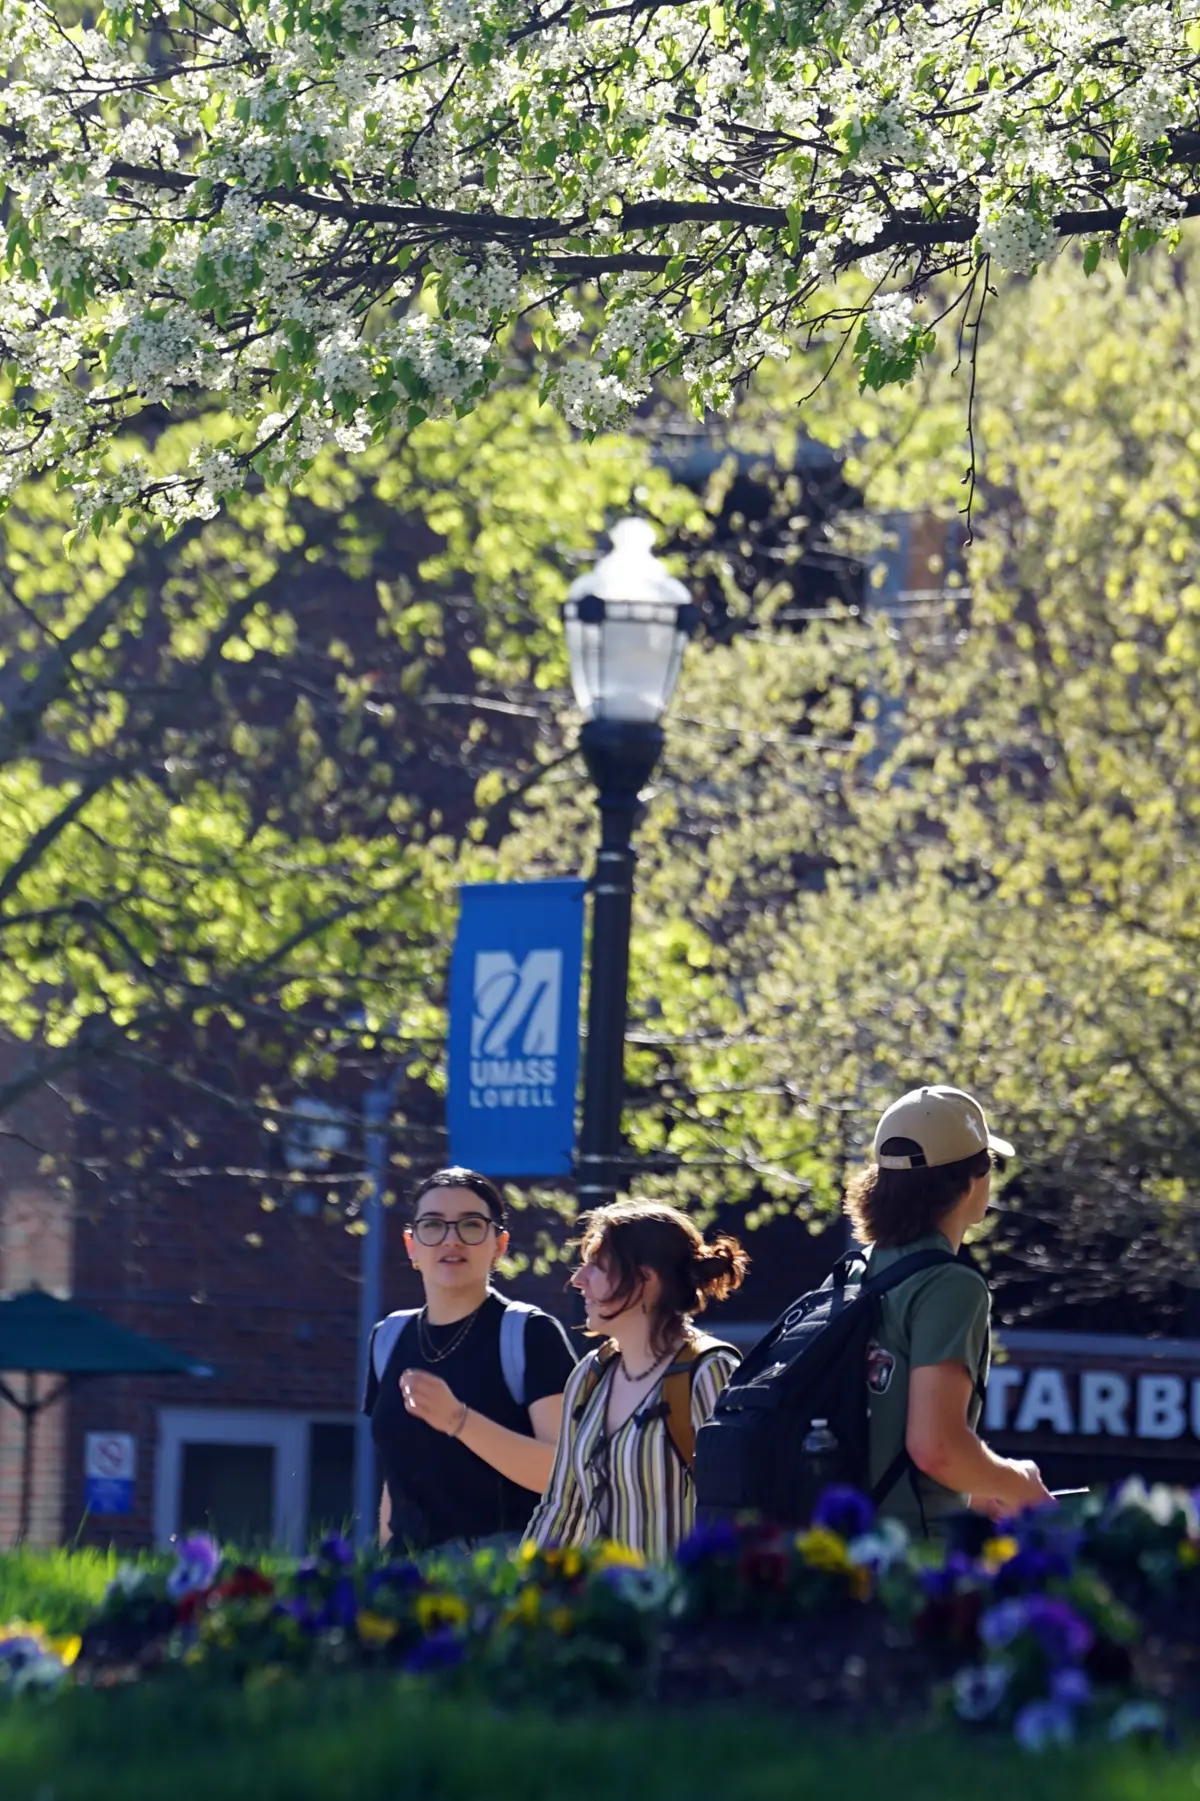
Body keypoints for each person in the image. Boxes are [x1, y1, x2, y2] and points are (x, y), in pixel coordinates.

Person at [845, 1084, 1054, 1532]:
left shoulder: (856, 1270)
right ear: (970, 1182)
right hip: (912, 1563)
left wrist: (972, 1488)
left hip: (841, 1553)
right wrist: (1022, 1484)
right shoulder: (950, 1286)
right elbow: (935, 1448)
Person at [363, 1167, 577, 1552]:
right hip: (405, 1580)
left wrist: (458, 1421)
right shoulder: (388, 1337)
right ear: (412, 1246)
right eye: (433, 1226)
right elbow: (394, 1480)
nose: (451, 1240)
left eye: (471, 1225)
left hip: (498, 1581)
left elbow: (562, 1473)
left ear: (499, 1244)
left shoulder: (530, 1333)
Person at [524, 1198, 748, 1561]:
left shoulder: (708, 1371)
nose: (577, 1280)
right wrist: (522, 1593)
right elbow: (560, 1508)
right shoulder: (588, 1377)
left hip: (678, 1610)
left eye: (596, 1267)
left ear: (646, 1280)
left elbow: (737, 1514)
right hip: (601, 1611)